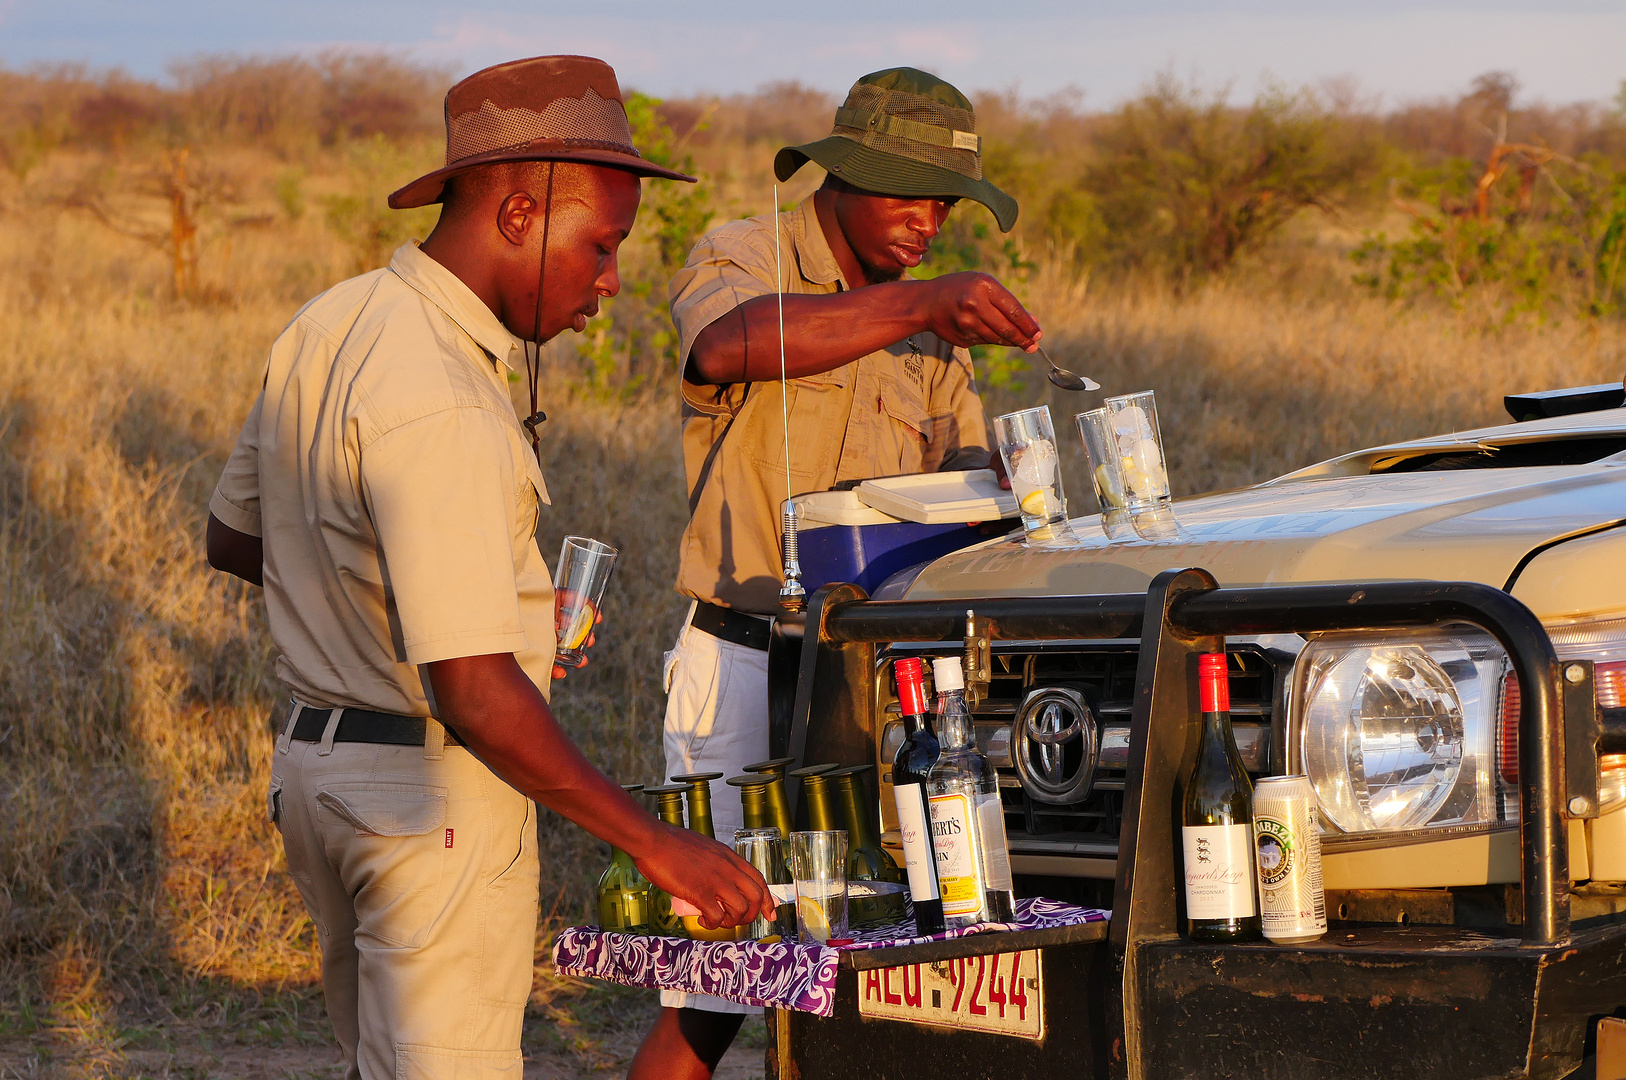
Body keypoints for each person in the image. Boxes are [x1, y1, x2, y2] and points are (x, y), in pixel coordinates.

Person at [203, 55, 773, 1080]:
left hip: (319, 778)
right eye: (602, 244)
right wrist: (659, 844)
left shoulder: (331, 323)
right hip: (426, 803)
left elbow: (239, 538)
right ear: (518, 215)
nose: (610, 278)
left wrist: (418, 599)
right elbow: (471, 688)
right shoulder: (448, 397)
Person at [629, 66, 1042, 1080]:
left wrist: (1014, 490)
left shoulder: (933, 335)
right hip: (741, 657)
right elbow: (727, 347)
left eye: (944, 203)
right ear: (842, 177)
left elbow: (959, 496)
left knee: (884, 938)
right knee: (720, 970)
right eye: (908, 192)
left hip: (876, 677)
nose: (929, 221)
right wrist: (920, 302)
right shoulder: (744, 252)